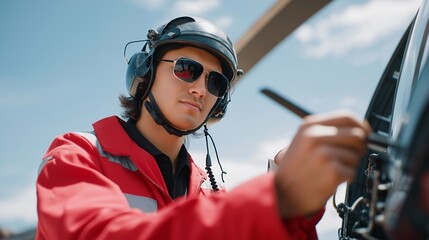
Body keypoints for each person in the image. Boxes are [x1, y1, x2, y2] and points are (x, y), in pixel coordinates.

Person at [36, 16, 371, 239]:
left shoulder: (209, 195)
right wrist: (277, 197)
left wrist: (299, 207)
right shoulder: (76, 155)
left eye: (217, 83)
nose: (201, 89)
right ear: (146, 72)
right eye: (186, 69)